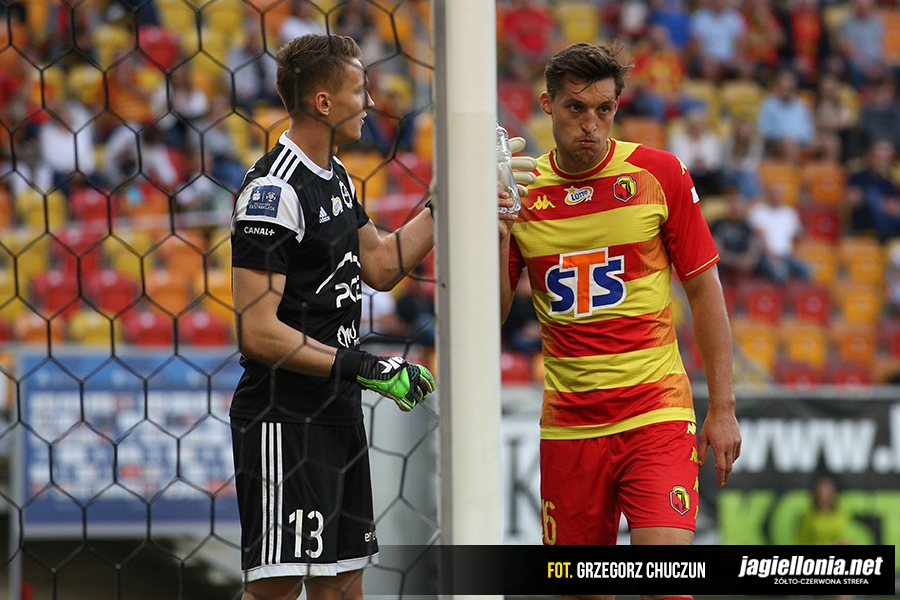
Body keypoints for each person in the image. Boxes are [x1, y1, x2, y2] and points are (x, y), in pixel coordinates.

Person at [229, 33, 525, 600]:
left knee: (344, 585)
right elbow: (257, 331)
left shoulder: (335, 176)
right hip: (283, 418)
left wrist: (453, 198)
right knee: (277, 588)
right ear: (323, 102)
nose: (369, 101)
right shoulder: (273, 190)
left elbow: (383, 265)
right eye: (359, 89)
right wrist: (365, 366)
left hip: (337, 411)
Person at [500, 41, 741, 581]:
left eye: (604, 109)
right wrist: (498, 228)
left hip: (655, 414)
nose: (591, 123)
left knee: (664, 582)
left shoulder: (659, 174)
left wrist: (723, 407)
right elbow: (490, 317)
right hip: (570, 427)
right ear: (547, 104)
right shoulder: (523, 193)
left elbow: (705, 291)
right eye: (576, 108)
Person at [747, 182, 811, 282]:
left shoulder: (789, 213)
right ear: (768, 194)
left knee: (806, 271)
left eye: (778, 193)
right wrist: (771, 256)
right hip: (765, 256)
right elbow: (759, 237)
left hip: (786, 255)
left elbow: (799, 235)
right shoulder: (759, 211)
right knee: (780, 273)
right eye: (773, 193)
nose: (776, 196)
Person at [796, 475, 854, 545]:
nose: (824, 494)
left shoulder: (842, 514)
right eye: (821, 491)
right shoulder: (806, 515)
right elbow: (801, 541)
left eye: (828, 491)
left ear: (833, 493)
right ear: (815, 493)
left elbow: (845, 537)